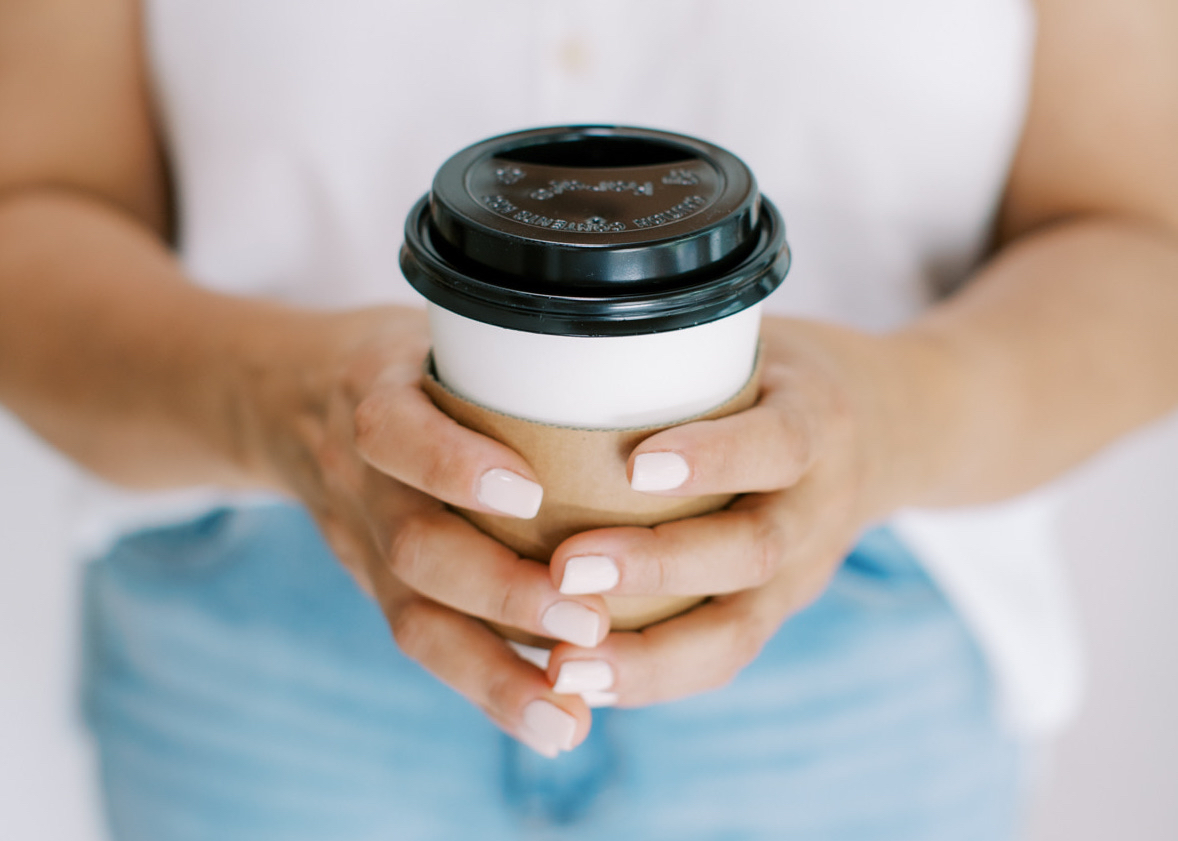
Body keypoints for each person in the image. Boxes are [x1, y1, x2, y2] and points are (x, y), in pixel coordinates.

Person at [1, 0, 1176, 837]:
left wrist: (887, 422)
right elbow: (28, 209)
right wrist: (281, 401)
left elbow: (1142, 247)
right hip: (259, 655)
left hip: (856, 661)